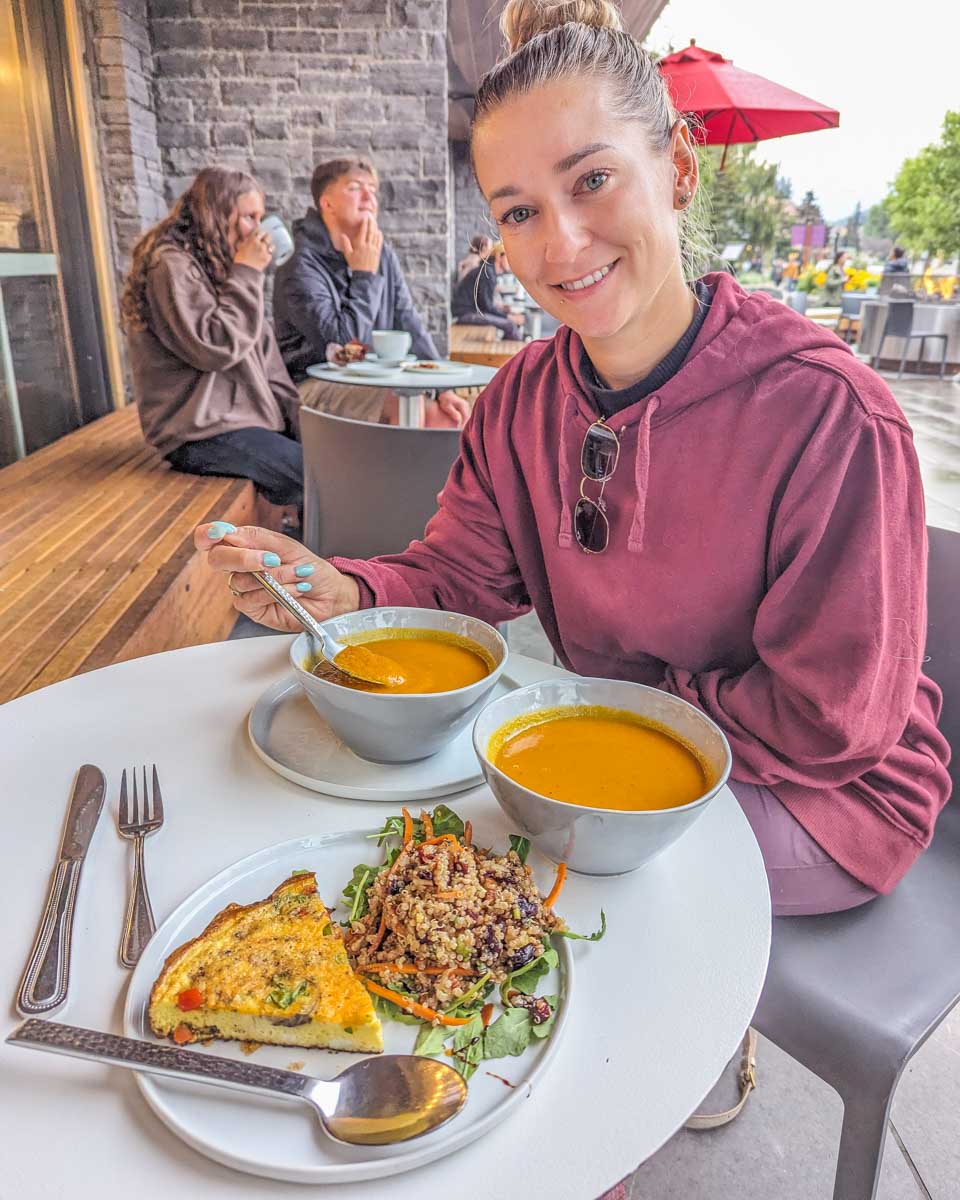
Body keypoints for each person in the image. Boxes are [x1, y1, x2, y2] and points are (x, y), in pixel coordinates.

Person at [195, 0, 950, 925]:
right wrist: (342, 592)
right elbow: (458, 577)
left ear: (676, 167)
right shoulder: (519, 399)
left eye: (592, 179)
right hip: (613, 737)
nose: (560, 245)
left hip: (830, 796)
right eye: (519, 212)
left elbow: (836, 717)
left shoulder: (828, 414)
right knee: (424, 850)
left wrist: (600, 713)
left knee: (518, 880)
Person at [121, 166, 304, 510]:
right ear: (216, 215)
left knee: (330, 462)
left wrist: (300, 420)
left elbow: (268, 364)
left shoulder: (222, 268)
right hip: (198, 431)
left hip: (241, 421)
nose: (258, 231)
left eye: (260, 217)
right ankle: (311, 558)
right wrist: (249, 272)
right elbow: (215, 347)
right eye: (249, 217)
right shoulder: (170, 266)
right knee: (310, 475)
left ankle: (321, 554)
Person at [273, 158, 469, 427]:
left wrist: (443, 389)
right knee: (406, 406)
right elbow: (343, 346)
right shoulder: (300, 263)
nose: (369, 197)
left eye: (373, 190)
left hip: (376, 381)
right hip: (311, 388)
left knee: (449, 416)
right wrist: (364, 275)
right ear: (326, 203)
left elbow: (409, 322)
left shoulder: (382, 254)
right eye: (355, 188)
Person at [451, 240, 525, 339]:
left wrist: (504, 311)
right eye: (509, 257)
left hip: (473, 312)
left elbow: (485, 303)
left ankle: (507, 351)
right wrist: (509, 317)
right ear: (499, 256)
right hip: (466, 314)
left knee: (511, 323)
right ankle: (510, 352)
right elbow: (487, 307)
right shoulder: (487, 273)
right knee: (510, 325)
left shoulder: (488, 270)